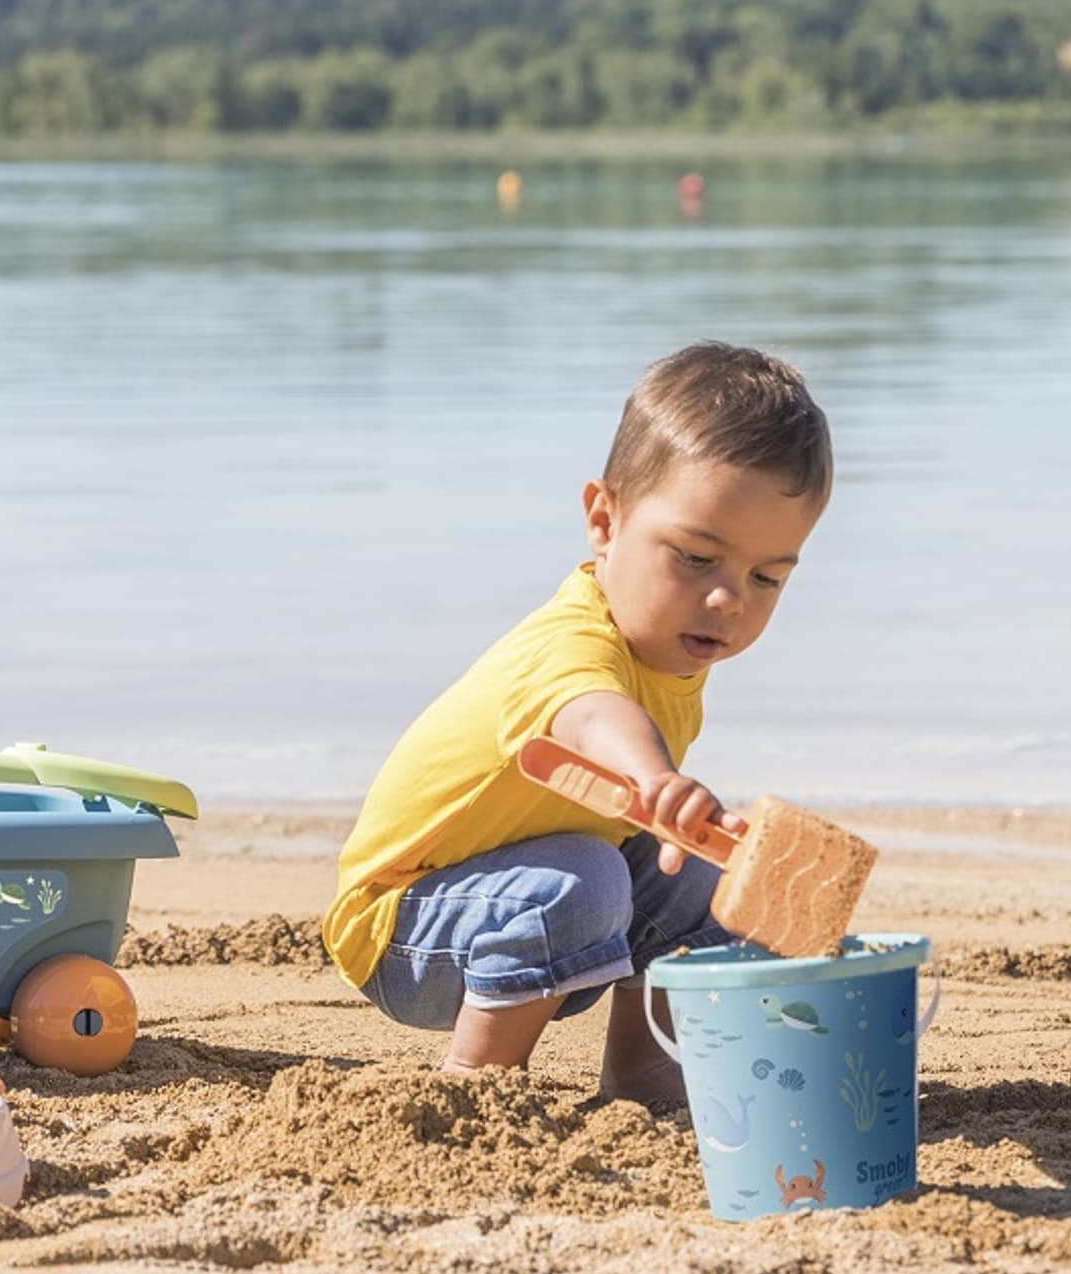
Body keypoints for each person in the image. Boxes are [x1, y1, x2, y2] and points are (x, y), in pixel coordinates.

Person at [321, 341, 832, 1105]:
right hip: (405, 926)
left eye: (765, 577)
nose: (729, 600)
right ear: (604, 520)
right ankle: (478, 1091)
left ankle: (643, 1070)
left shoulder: (670, 648)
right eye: (695, 558)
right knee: (587, 876)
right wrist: (655, 779)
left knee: (707, 873)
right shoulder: (568, 641)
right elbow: (589, 714)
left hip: (537, 900)